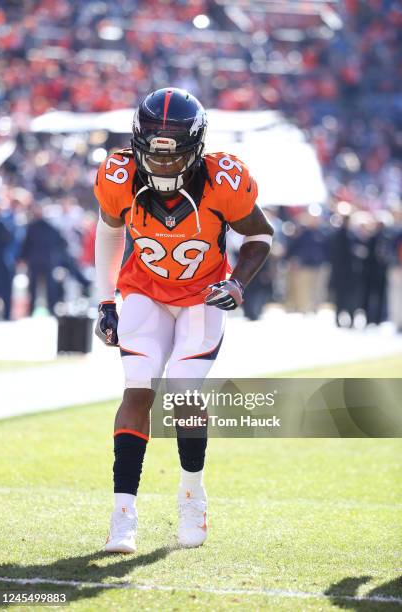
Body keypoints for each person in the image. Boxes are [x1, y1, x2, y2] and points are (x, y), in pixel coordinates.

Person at [93, 88, 274, 553]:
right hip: (143, 291)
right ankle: (123, 514)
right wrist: (105, 300)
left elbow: (260, 234)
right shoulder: (119, 174)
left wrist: (237, 283)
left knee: (184, 391)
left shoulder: (222, 179)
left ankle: (192, 494)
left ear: (196, 147)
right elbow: (110, 229)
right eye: (154, 149)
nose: (163, 163)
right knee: (138, 388)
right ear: (139, 141)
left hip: (201, 296)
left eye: (174, 154)